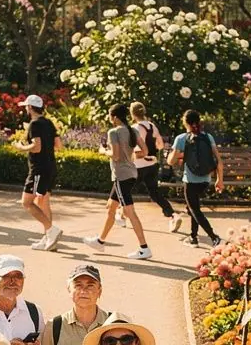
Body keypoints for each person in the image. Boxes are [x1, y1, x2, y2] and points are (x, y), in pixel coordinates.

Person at [83, 103, 152, 261]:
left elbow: (115, 155)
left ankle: (144, 248)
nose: (109, 118)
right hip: (130, 173)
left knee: (129, 212)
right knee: (111, 207)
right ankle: (100, 241)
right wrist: (131, 157)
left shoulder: (113, 132)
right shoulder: (133, 130)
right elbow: (145, 151)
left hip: (121, 176)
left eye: (110, 115)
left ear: (114, 117)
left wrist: (103, 151)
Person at [10, 92, 64, 251]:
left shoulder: (34, 124)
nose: (26, 109)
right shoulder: (48, 123)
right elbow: (59, 145)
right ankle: (49, 239)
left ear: (30, 108)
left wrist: (21, 148)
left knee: (26, 202)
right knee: (43, 202)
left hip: (38, 169)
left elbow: (36, 146)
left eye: (26, 106)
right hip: (50, 167)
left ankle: (51, 230)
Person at [167, 108, 222, 249]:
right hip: (205, 180)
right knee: (193, 207)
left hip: (190, 181)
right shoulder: (208, 137)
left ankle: (213, 237)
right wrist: (219, 179)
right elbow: (218, 160)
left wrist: (174, 153)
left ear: (185, 123)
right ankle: (193, 237)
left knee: (194, 209)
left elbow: (170, 162)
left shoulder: (181, 138)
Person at [129, 100, 181, 233]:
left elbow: (132, 148)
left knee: (124, 190)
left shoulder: (135, 128)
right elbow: (161, 145)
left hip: (138, 165)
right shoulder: (152, 126)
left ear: (132, 113)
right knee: (155, 193)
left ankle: (120, 214)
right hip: (152, 164)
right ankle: (172, 215)